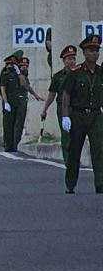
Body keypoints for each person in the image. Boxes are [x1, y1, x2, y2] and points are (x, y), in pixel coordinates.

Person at [59, 35, 103, 194]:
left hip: (96, 115)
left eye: (97, 50)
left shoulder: (100, 72)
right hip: (78, 115)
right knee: (74, 150)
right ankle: (70, 183)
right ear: (84, 52)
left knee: (99, 150)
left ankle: (100, 183)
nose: (95, 54)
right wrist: (65, 116)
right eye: (91, 50)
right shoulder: (75, 72)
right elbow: (66, 94)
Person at [0, 52, 42, 154]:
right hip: (9, 101)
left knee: (19, 123)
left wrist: (35, 95)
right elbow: (2, 89)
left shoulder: (21, 75)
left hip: (21, 101)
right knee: (8, 123)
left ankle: (16, 144)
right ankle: (8, 144)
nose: (11, 67)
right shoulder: (5, 74)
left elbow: (25, 85)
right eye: (10, 64)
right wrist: (5, 102)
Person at [41, 44, 79, 136]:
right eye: (69, 59)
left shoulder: (80, 74)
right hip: (63, 108)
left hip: (77, 109)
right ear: (64, 61)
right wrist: (44, 110)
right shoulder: (58, 77)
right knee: (66, 136)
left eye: (74, 59)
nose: (72, 61)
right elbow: (52, 94)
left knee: (77, 137)